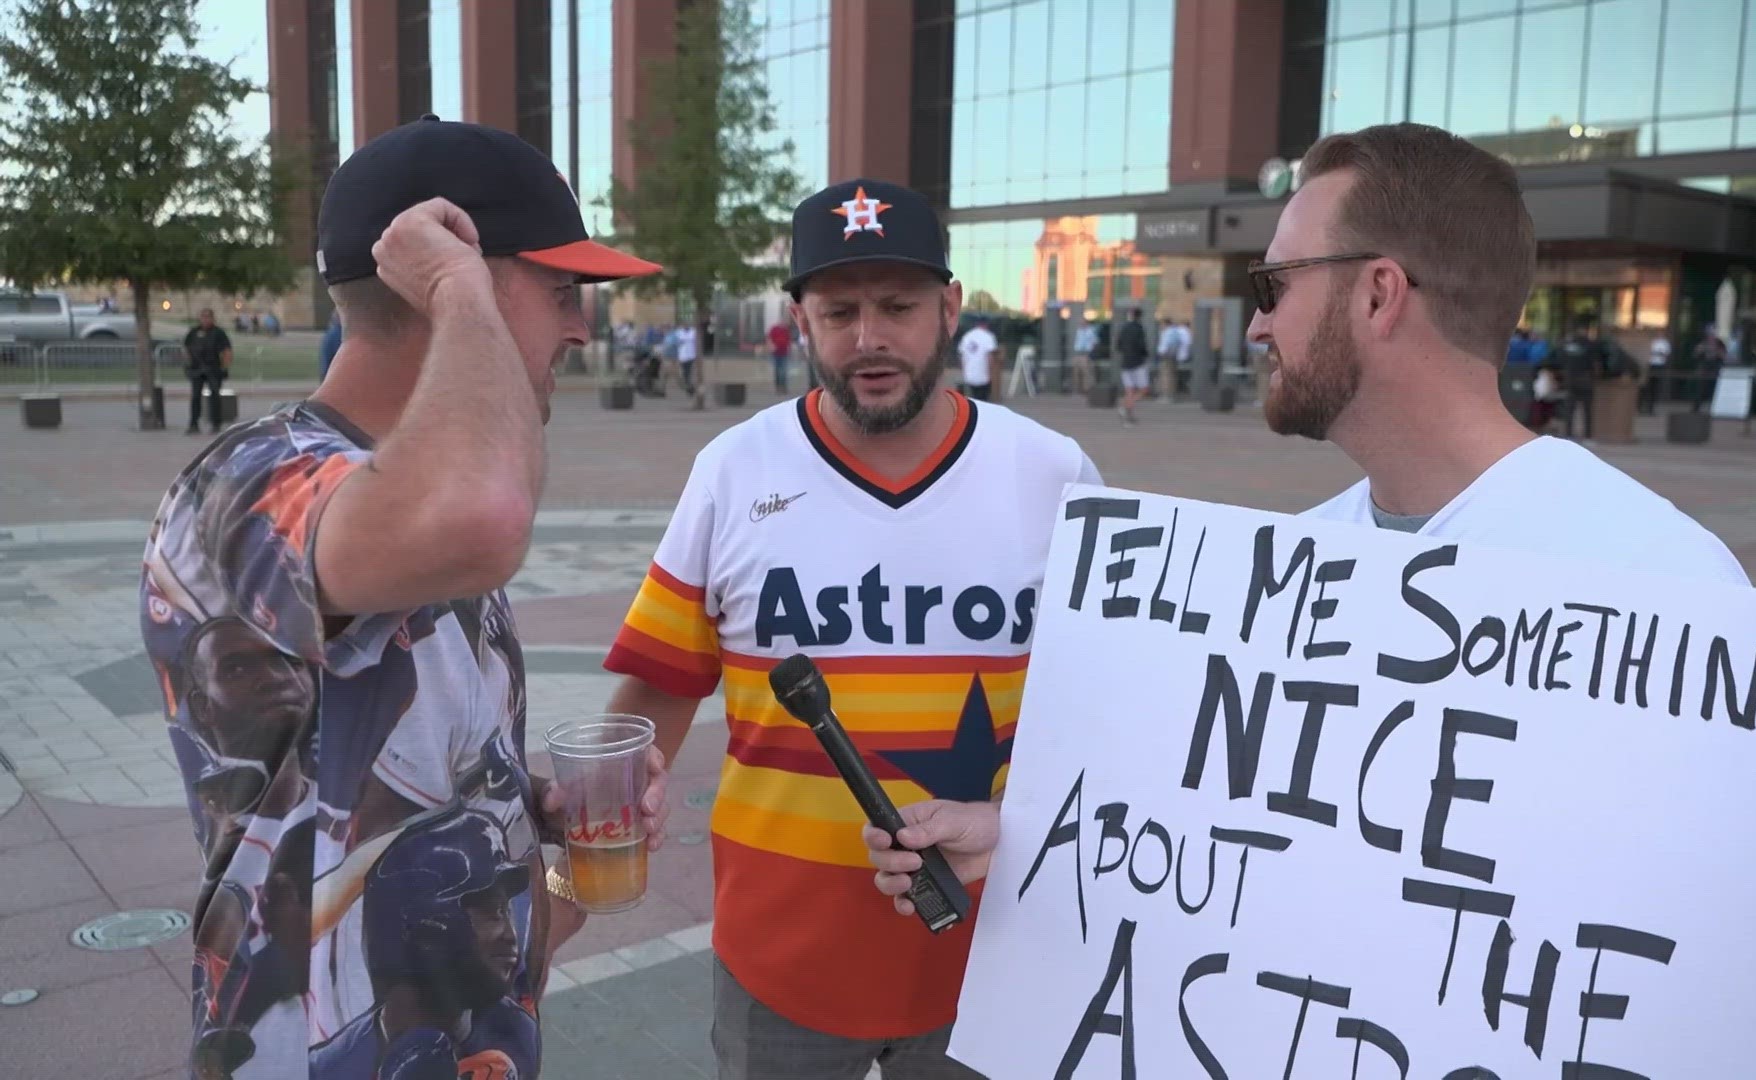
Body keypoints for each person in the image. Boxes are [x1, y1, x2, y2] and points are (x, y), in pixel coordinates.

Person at [862, 121, 1756, 1080]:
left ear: (1380, 294)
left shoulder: (1664, 581)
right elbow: (1227, 838)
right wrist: (1025, 839)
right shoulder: (1296, 566)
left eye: (1277, 283)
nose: (1256, 319)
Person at [138, 113, 670, 1078]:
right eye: (560, 290)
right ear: (441, 278)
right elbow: (488, 512)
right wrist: (464, 292)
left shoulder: (403, 504)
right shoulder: (252, 482)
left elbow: (407, 799)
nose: (582, 326)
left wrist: (531, 816)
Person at [599, 176, 1101, 1080]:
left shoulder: (1053, 473)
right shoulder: (733, 469)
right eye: (839, 311)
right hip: (779, 961)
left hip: (998, 959)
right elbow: (661, 681)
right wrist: (605, 798)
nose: (869, 338)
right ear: (800, 316)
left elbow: (1113, 705)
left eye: (898, 307)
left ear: (950, 308)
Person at [183, 307, 233, 435]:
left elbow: (227, 351)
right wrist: (188, 363)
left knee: (215, 396)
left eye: (208, 317)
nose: (205, 319)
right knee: (195, 396)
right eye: (203, 317)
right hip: (197, 369)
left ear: (212, 318)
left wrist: (224, 366)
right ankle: (194, 424)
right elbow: (186, 348)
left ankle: (216, 423)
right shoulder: (194, 332)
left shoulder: (218, 333)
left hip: (213, 368)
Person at [1115, 307, 1151, 423]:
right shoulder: (1139, 328)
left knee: (1129, 390)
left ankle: (1127, 411)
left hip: (1126, 362)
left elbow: (1118, 345)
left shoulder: (1124, 328)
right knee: (1144, 389)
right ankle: (1126, 408)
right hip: (1138, 362)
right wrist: (1145, 354)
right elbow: (1142, 346)